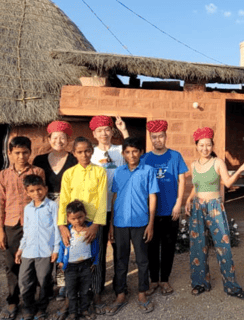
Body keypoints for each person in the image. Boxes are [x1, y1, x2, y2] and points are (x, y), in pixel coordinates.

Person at [185, 127, 244, 300]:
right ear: (196, 146)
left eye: (208, 145)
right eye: (201, 145)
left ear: (212, 145)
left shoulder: (218, 162)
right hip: (197, 208)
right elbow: (197, 186)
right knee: (197, 247)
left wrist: (238, 170)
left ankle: (231, 286)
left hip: (214, 207)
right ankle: (200, 283)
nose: (205, 148)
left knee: (223, 247)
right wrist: (188, 200)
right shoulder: (193, 165)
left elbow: (228, 183)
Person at [106, 137, 160, 316]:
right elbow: (114, 197)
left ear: (141, 152)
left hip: (140, 222)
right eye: (128, 152)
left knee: (142, 260)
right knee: (120, 260)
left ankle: (142, 293)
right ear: (123, 154)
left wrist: (151, 223)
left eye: (135, 151)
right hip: (120, 222)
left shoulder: (148, 171)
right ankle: (120, 294)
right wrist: (112, 224)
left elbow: (152, 197)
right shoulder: (119, 172)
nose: (131, 155)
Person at [0, 136, 45, 320]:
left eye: (25, 152)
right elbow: (0, 203)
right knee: (11, 265)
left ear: (30, 153)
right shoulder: (3, 174)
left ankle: (30, 302)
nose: (21, 156)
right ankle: (13, 300)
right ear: (10, 153)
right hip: (11, 224)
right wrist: (0, 230)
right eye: (17, 153)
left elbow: (40, 198)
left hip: (33, 224)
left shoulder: (38, 171)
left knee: (32, 263)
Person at [57, 136, 107, 318]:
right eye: (79, 151)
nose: (84, 154)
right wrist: (62, 226)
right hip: (73, 224)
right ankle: (70, 300)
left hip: (93, 223)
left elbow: (102, 199)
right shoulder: (69, 174)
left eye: (87, 150)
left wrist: (95, 225)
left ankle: (95, 295)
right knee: (71, 259)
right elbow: (63, 200)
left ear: (92, 151)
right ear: (74, 153)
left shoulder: (100, 172)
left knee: (95, 258)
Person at [33, 121, 78, 304]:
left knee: (63, 245)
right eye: (55, 137)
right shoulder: (40, 160)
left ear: (68, 140)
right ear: (49, 139)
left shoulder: (74, 159)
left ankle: (62, 285)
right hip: (45, 206)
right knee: (45, 244)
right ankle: (45, 284)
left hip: (66, 206)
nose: (59, 140)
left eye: (63, 137)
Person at [142, 120, 188, 296]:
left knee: (168, 247)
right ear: (151, 138)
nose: (158, 140)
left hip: (171, 210)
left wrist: (179, 203)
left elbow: (182, 180)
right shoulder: (146, 158)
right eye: (154, 137)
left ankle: (165, 280)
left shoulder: (175, 156)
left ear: (165, 136)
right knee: (151, 247)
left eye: (161, 136)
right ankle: (153, 280)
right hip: (151, 213)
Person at [89, 115, 129, 312]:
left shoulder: (120, 151)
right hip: (98, 209)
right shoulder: (91, 154)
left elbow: (132, 151)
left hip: (119, 208)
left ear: (112, 131)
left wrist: (124, 130)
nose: (104, 133)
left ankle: (120, 287)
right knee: (98, 251)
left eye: (107, 129)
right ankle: (96, 289)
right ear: (94, 134)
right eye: (100, 130)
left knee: (120, 250)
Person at [14, 174, 60, 320]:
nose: (36, 193)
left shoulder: (52, 206)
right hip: (28, 251)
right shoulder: (27, 209)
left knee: (44, 281)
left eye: (39, 189)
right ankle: (29, 307)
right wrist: (20, 249)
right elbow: (26, 231)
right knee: (24, 281)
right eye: (32, 191)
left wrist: (56, 249)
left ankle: (42, 308)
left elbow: (57, 229)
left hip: (45, 251)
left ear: (45, 189)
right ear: (27, 192)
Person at [57, 200, 99, 320]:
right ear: (68, 219)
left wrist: (95, 261)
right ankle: (72, 313)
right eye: (73, 219)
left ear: (85, 214)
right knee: (71, 291)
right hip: (70, 267)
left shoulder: (90, 230)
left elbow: (95, 247)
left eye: (80, 217)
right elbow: (62, 246)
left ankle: (84, 310)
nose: (77, 221)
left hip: (86, 265)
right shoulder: (68, 231)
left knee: (85, 290)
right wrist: (60, 261)